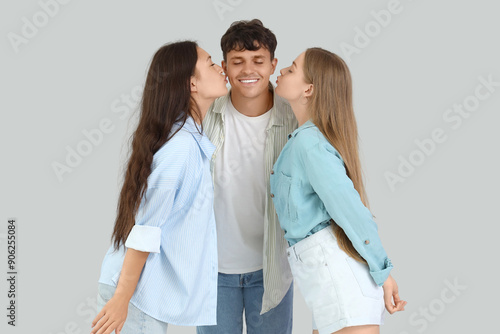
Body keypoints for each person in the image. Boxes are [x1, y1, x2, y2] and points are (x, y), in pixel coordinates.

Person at [90, 40, 228, 334]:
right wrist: (121, 300)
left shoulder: (187, 140)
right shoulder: (180, 149)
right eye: (211, 62)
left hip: (139, 293)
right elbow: (146, 229)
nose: (222, 68)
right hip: (134, 295)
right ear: (191, 83)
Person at [270, 47, 407, 334]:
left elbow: (351, 210)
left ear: (309, 89)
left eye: (292, 68)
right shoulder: (303, 140)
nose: (281, 70)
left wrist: (384, 272)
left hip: (340, 280)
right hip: (324, 280)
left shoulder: (310, 144)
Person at [197, 19, 297, 334]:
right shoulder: (204, 116)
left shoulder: (294, 120)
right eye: (237, 62)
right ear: (224, 66)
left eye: (258, 61)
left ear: (273, 65)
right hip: (212, 273)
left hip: (273, 273)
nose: (247, 70)